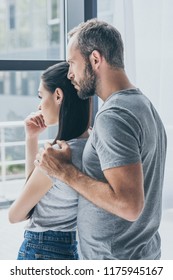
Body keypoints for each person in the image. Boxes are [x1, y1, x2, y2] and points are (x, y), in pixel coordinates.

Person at [35, 19, 167, 260]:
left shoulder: (113, 117)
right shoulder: (143, 105)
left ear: (95, 59)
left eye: (72, 63)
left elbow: (129, 205)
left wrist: (65, 172)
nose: (70, 74)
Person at [8, 62, 90, 260]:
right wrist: (32, 138)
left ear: (58, 96)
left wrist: (31, 140)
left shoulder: (57, 157)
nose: (38, 105)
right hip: (70, 248)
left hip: (40, 250)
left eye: (40, 95)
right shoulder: (91, 145)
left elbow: (16, 215)